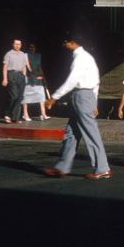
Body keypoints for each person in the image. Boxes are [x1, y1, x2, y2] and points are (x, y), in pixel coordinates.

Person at [43, 35, 111, 179]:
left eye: (65, 42)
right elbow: (96, 81)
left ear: (73, 43)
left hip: (82, 96)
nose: (64, 45)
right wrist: (95, 102)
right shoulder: (88, 57)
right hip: (84, 97)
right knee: (71, 133)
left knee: (90, 132)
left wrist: (55, 97)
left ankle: (102, 168)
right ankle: (62, 167)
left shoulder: (81, 58)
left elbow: (73, 80)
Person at [2, 39, 30, 123]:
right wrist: (5, 78)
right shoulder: (8, 54)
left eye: (19, 44)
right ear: (13, 44)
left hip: (20, 75)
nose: (17, 45)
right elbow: (5, 67)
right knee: (14, 96)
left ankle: (15, 118)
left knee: (20, 97)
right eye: (16, 44)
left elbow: (24, 66)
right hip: (12, 74)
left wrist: (24, 75)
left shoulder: (23, 54)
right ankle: (7, 114)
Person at [21, 43, 49, 122]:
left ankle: (43, 113)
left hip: (37, 77)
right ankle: (25, 114)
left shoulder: (38, 55)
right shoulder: (25, 55)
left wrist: (42, 76)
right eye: (30, 47)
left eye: (33, 47)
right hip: (29, 78)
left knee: (41, 95)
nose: (32, 48)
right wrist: (29, 76)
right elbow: (26, 67)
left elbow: (39, 66)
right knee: (26, 96)